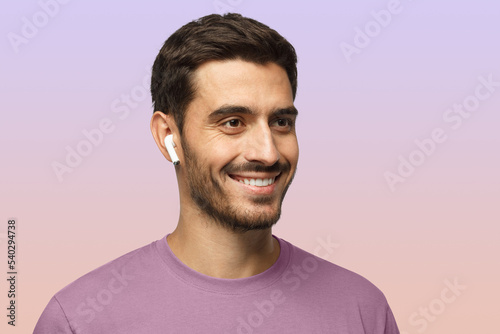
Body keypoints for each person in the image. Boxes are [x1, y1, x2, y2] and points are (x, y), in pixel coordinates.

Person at [34, 13, 400, 333]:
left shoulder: (363, 310)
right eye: (232, 122)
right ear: (168, 137)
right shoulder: (79, 320)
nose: (268, 152)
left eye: (281, 121)